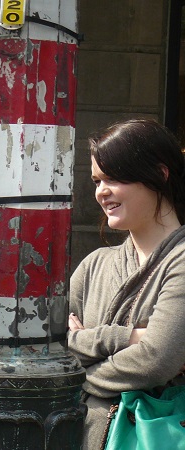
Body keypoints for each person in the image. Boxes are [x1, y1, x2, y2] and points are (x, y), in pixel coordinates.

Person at [67, 119, 185, 448]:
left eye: (115, 177)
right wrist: (128, 336)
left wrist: (79, 364)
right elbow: (49, 345)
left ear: (159, 175)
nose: (102, 191)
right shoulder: (95, 265)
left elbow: (156, 360)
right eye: (97, 180)